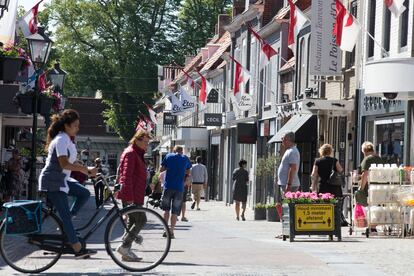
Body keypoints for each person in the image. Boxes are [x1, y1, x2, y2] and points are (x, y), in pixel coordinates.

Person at [39, 109, 97, 258]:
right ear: (66, 125)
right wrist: (84, 170)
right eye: (75, 125)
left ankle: (68, 224)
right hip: (53, 181)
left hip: (62, 179)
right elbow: (64, 164)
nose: (78, 128)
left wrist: (88, 169)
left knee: (84, 193)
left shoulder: (68, 139)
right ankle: (76, 247)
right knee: (64, 215)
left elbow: (72, 161)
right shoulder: (61, 139)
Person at [116, 129, 152, 262]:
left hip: (135, 193)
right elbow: (126, 176)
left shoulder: (136, 152)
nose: (147, 145)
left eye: (148, 142)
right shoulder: (131, 153)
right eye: (146, 142)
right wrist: (129, 196)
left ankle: (126, 251)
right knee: (142, 220)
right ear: (137, 140)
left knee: (133, 221)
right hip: (131, 194)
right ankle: (125, 246)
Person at [160, 145, 192, 239]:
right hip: (179, 188)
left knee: (166, 210)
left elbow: (161, 169)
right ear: (182, 151)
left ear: (174, 150)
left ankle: (165, 230)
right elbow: (188, 172)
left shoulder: (169, 156)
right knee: (175, 211)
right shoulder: (185, 158)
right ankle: (172, 231)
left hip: (168, 186)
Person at [276, 132, 300, 220]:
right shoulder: (289, 150)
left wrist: (288, 184)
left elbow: (293, 168)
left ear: (289, 140)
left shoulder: (293, 151)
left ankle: (288, 229)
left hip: (290, 184)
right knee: (282, 206)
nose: (282, 140)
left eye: (284, 139)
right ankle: (285, 227)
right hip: (285, 183)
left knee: (287, 207)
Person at [360, 141, 383, 233]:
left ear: (364, 151)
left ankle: (371, 226)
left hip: (370, 187)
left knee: (369, 206)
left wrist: (361, 188)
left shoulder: (367, 160)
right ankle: (373, 226)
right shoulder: (380, 159)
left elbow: (365, 175)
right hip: (380, 186)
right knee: (376, 206)